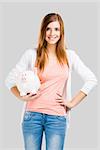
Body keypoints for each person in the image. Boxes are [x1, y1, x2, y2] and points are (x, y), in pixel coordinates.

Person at [5, 13, 98, 150]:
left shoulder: (69, 56)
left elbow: (91, 79)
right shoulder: (31, 54)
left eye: (56, 29)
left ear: (61, 33)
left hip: (57, 118)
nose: (52, 33)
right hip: (32, 116)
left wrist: (71, 103)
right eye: (48, 29)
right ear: (43, 31)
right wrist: (21, 96)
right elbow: (9, 80)